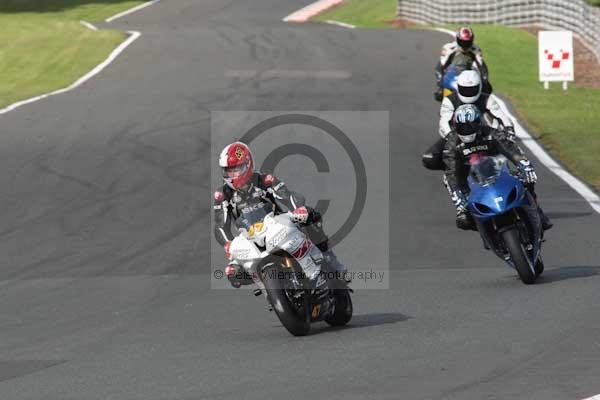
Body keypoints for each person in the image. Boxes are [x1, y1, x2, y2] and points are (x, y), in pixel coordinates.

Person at [213, 142, 348, 288]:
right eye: (228, 170)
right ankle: (269, 289)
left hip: (278, 226)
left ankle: (328, 257)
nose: (231, 174)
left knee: (311, 215)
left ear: (247, 165)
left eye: (235, 169)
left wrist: (298, 209)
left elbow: (286, 196)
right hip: (249, 238)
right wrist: (228, 244)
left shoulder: (265, 180)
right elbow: (221, 224)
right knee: (233, 273)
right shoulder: (222, 195)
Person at [442, 104, 553, 231]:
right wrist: (458, 198)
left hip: (497, 170)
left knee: (527, 182)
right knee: (465, 220)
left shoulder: (491, 133)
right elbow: (451, 172)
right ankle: (482, 227)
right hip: (469, 179)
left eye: (470, 126)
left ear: (478, 123)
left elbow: (511, 150)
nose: (467, 130)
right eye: (462, 127)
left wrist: (524, 165)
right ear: (456, 127)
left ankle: (538, 213)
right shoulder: (451, 144)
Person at [423, 70, 514, 171]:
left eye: (472, 89)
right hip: (456, 136)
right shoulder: (450, 100)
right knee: (429, 159)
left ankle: (494, 166)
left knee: (507, 151)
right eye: (465, 89)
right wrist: (452, 138)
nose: (468, 92)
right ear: (458, 87)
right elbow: (444, 122)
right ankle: (457, 169)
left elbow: (501, 116)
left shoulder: (487, 99)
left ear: (479, 87)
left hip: (482, 136)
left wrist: (509, 130)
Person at [434, 26, 492, 102]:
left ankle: (483, 111)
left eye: (467, 42)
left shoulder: (475, 49)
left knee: (487, 89)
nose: (465, 45)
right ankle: (447, 110)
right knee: (440, 94)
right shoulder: (449, 48)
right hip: (452, 77)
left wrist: (485, 81)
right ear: (458, 39)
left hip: (469, 77)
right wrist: (440, 83)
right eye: (463, 42)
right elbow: (439, 67)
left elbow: (482, 67)